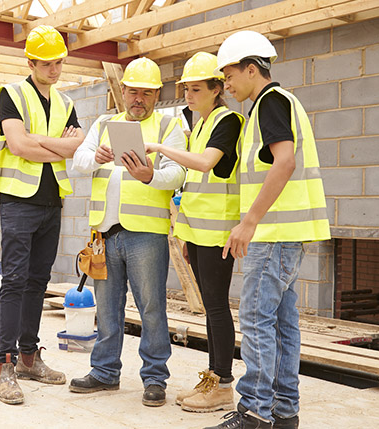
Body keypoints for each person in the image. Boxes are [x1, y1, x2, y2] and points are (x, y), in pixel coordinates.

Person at [206, 31, 331, 429]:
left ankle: (255, 412)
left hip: (273, 234)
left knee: (258, 319)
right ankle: (283, 410)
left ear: (251, 69)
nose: (226, 84)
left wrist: (249, 221)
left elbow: (284, 162)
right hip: (287, 233)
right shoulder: (276, 105)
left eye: (229, 76)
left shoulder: (270, 103)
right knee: (282, 322)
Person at [68, 57, 186, 407]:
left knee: (151, 308)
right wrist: (98, 157)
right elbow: (78, 161)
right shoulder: (105, 123)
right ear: (123, 91)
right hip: (105, 232)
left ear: (156, 94)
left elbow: (179, 173)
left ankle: (154, 378)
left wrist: (151, 175)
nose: (138, 99)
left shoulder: (168, 127)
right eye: (133, 91)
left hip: (145, 234)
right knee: (106, 309)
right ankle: (104, 373)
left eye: (146, 93)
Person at [0, 25, 85, 405]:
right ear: (30, 61)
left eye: (60, 63)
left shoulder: (66, 102)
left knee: (37, 281)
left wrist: (39, 142)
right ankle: (5, 365)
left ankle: (29, 356)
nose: (56, 70)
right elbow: (17, 144)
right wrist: (57, 145)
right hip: (18, 200)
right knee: (13, 281)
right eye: (48, 64)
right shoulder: (10, 95)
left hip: (51, 202)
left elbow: (74, 148)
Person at [145, 51, 243, 413]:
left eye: (196, 89)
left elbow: (204, 164)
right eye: (186, 89)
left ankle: (223, 384)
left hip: (218, 231)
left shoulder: (228, 121)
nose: (188, 95)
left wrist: (159, 147)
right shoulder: (199, 123)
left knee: (217, 307)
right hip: (198, 231)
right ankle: (212, 378)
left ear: (217, 89)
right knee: (209, 307)